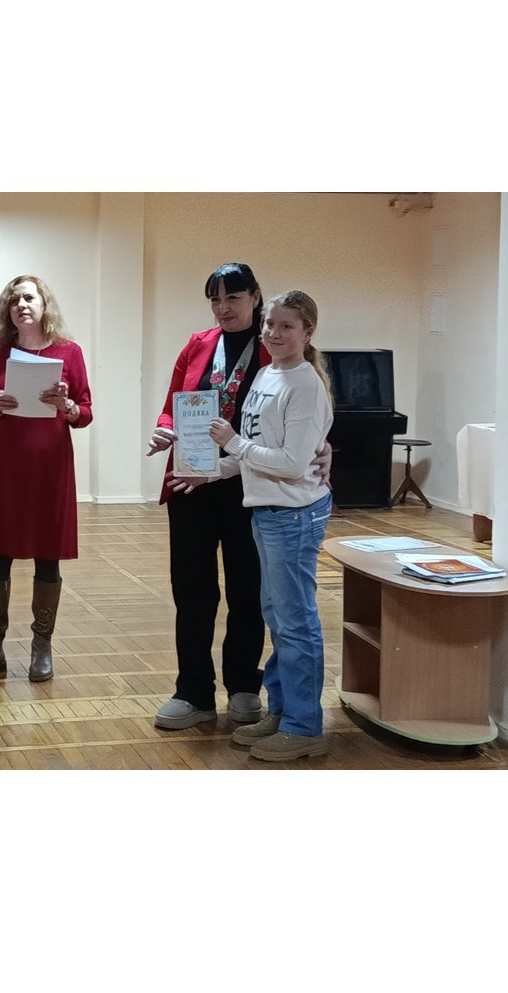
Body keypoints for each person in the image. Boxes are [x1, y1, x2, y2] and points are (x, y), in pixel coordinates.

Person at [147, 263, 330, 731]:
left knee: (250, 592)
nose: (223, 308)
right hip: (194, 480)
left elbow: (304, 421)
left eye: (233, 297)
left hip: (253, 487)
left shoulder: (276, 349)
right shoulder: (198, 344)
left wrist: (326, 447)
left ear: (255, 297)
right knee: (192, 589)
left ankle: (244, 686)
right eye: (215, 299)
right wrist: (165, 430)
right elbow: (172, 404)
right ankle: (193, 692)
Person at [208, 290, 334, 761]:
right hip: (267, 511)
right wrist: (211, 471)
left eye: (286, 326)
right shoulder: (267, 373)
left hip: (294, 515)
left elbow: (291, 463)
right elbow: (258, 452)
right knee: (278, 618)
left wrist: (232, 443)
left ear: (307, 332)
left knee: (296, 622)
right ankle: (282, 712)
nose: (274, 334)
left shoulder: (305, 385)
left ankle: (304, 727)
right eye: (270, 325)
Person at [0, 275, 93, 683]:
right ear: (8, 309)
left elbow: (85, 412)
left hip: (50, 466)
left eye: (29, 297)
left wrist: (67, 405)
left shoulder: (69, 352)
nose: (21, 304)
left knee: (47, 554)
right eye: (14, 299)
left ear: (44, 304)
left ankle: (41, 646)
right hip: (5, 465)